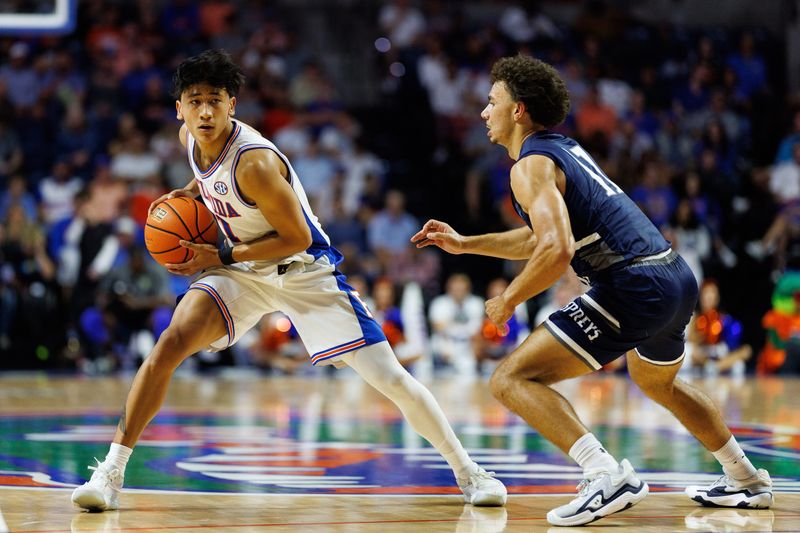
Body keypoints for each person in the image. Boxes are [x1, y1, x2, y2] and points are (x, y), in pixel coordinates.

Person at [71, 49, 506, 511]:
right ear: (179, 108)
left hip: (303, 271)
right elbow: (210, 178)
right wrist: (192, 192)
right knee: (170, 343)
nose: (204, 111)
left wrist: (218, 252)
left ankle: (468, 472)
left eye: (214, 100)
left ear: (231, 105)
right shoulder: (189, 138)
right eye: (194, 100)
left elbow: (294, 236)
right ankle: (111, 473)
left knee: (392, 381)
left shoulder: (254, 162)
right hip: (245, 270)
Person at [412, 54, 772, 526]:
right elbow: (543, 235)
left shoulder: (529, 166)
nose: (483, 112)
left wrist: (509, 299)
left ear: (518, 110)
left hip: (632, 283)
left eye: (491, 101)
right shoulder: (562, 149)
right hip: (674, 276)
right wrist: (466, 244)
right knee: (655, 381)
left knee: (511, 379)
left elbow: (556, 250)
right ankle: (745, 478)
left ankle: (605, 473)